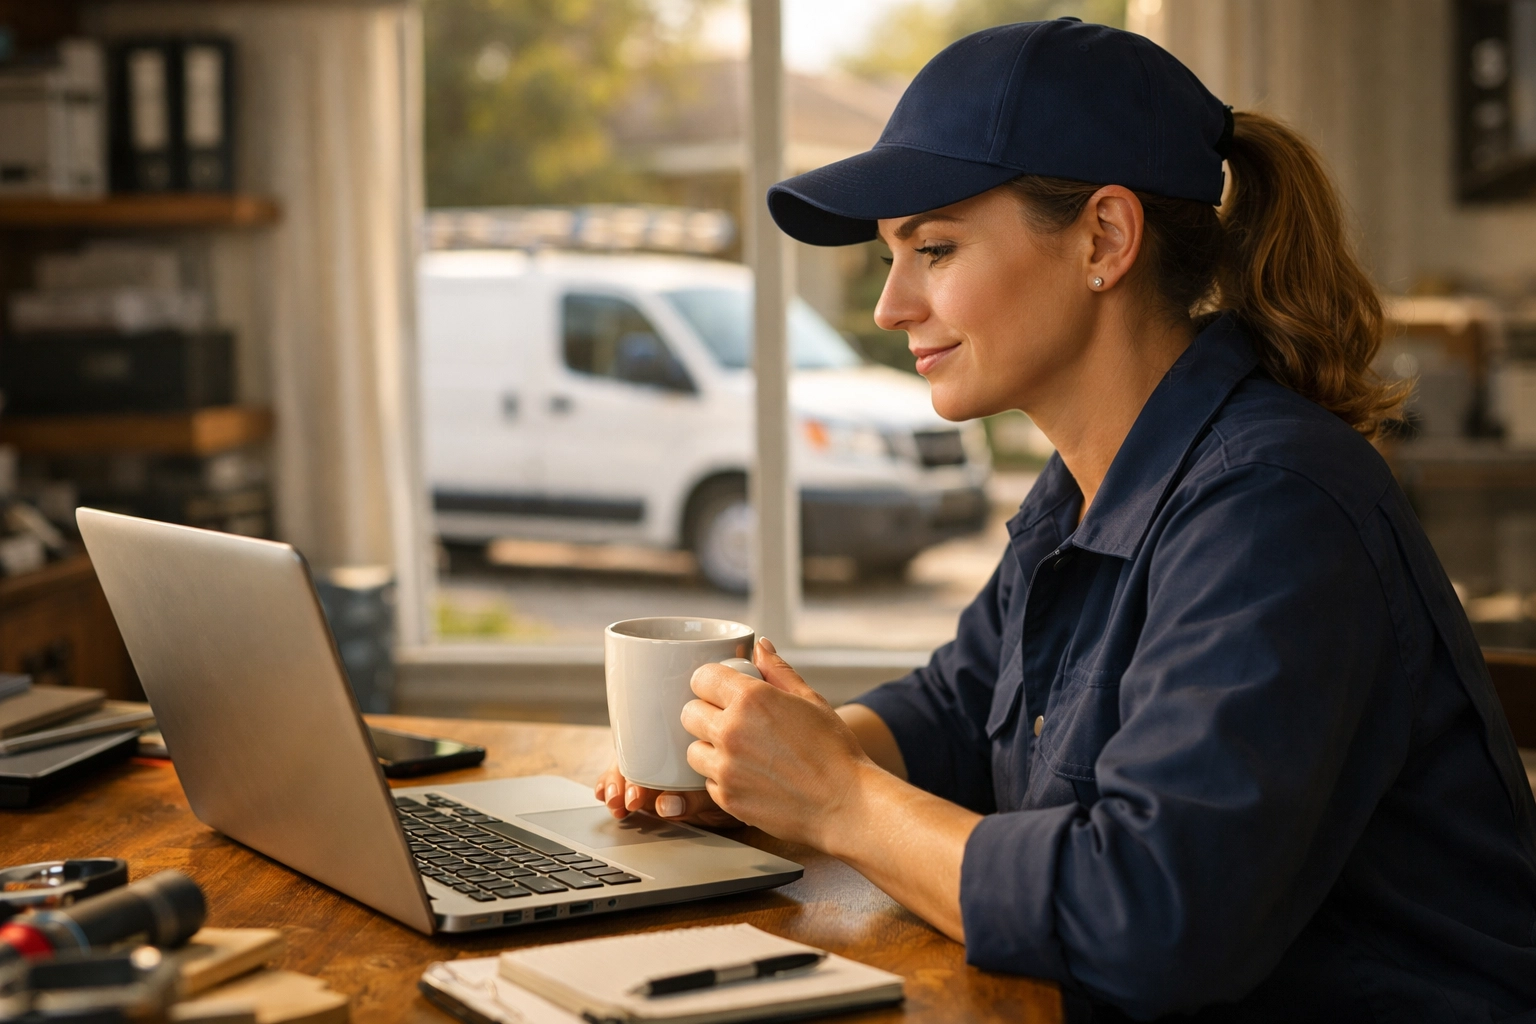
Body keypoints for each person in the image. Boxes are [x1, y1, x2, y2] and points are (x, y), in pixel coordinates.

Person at [595, 19, 1536, 1021]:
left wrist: (838, 797)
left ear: (1104, 239)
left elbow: (1145, 919)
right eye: (890, 259)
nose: (891, 306)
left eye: (936, 248)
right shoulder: (1089, 483)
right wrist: (758, 770)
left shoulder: (1273, 510)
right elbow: (958, 712)